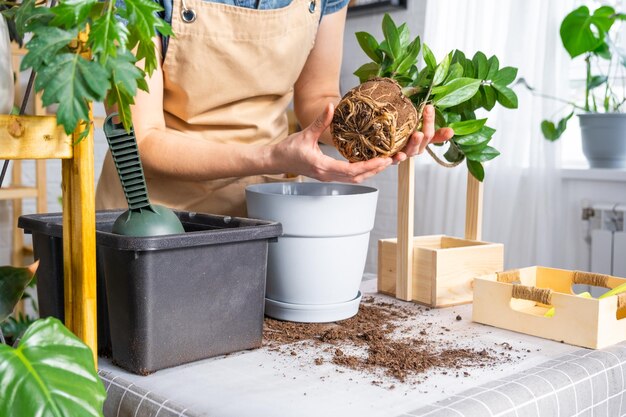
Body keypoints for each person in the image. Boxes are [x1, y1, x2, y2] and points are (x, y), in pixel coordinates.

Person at [96, 0, 453, 217]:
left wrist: (373, 130)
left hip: (264, 211)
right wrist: (274, 157)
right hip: (154, 217)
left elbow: (319, 95)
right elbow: (142, 138)